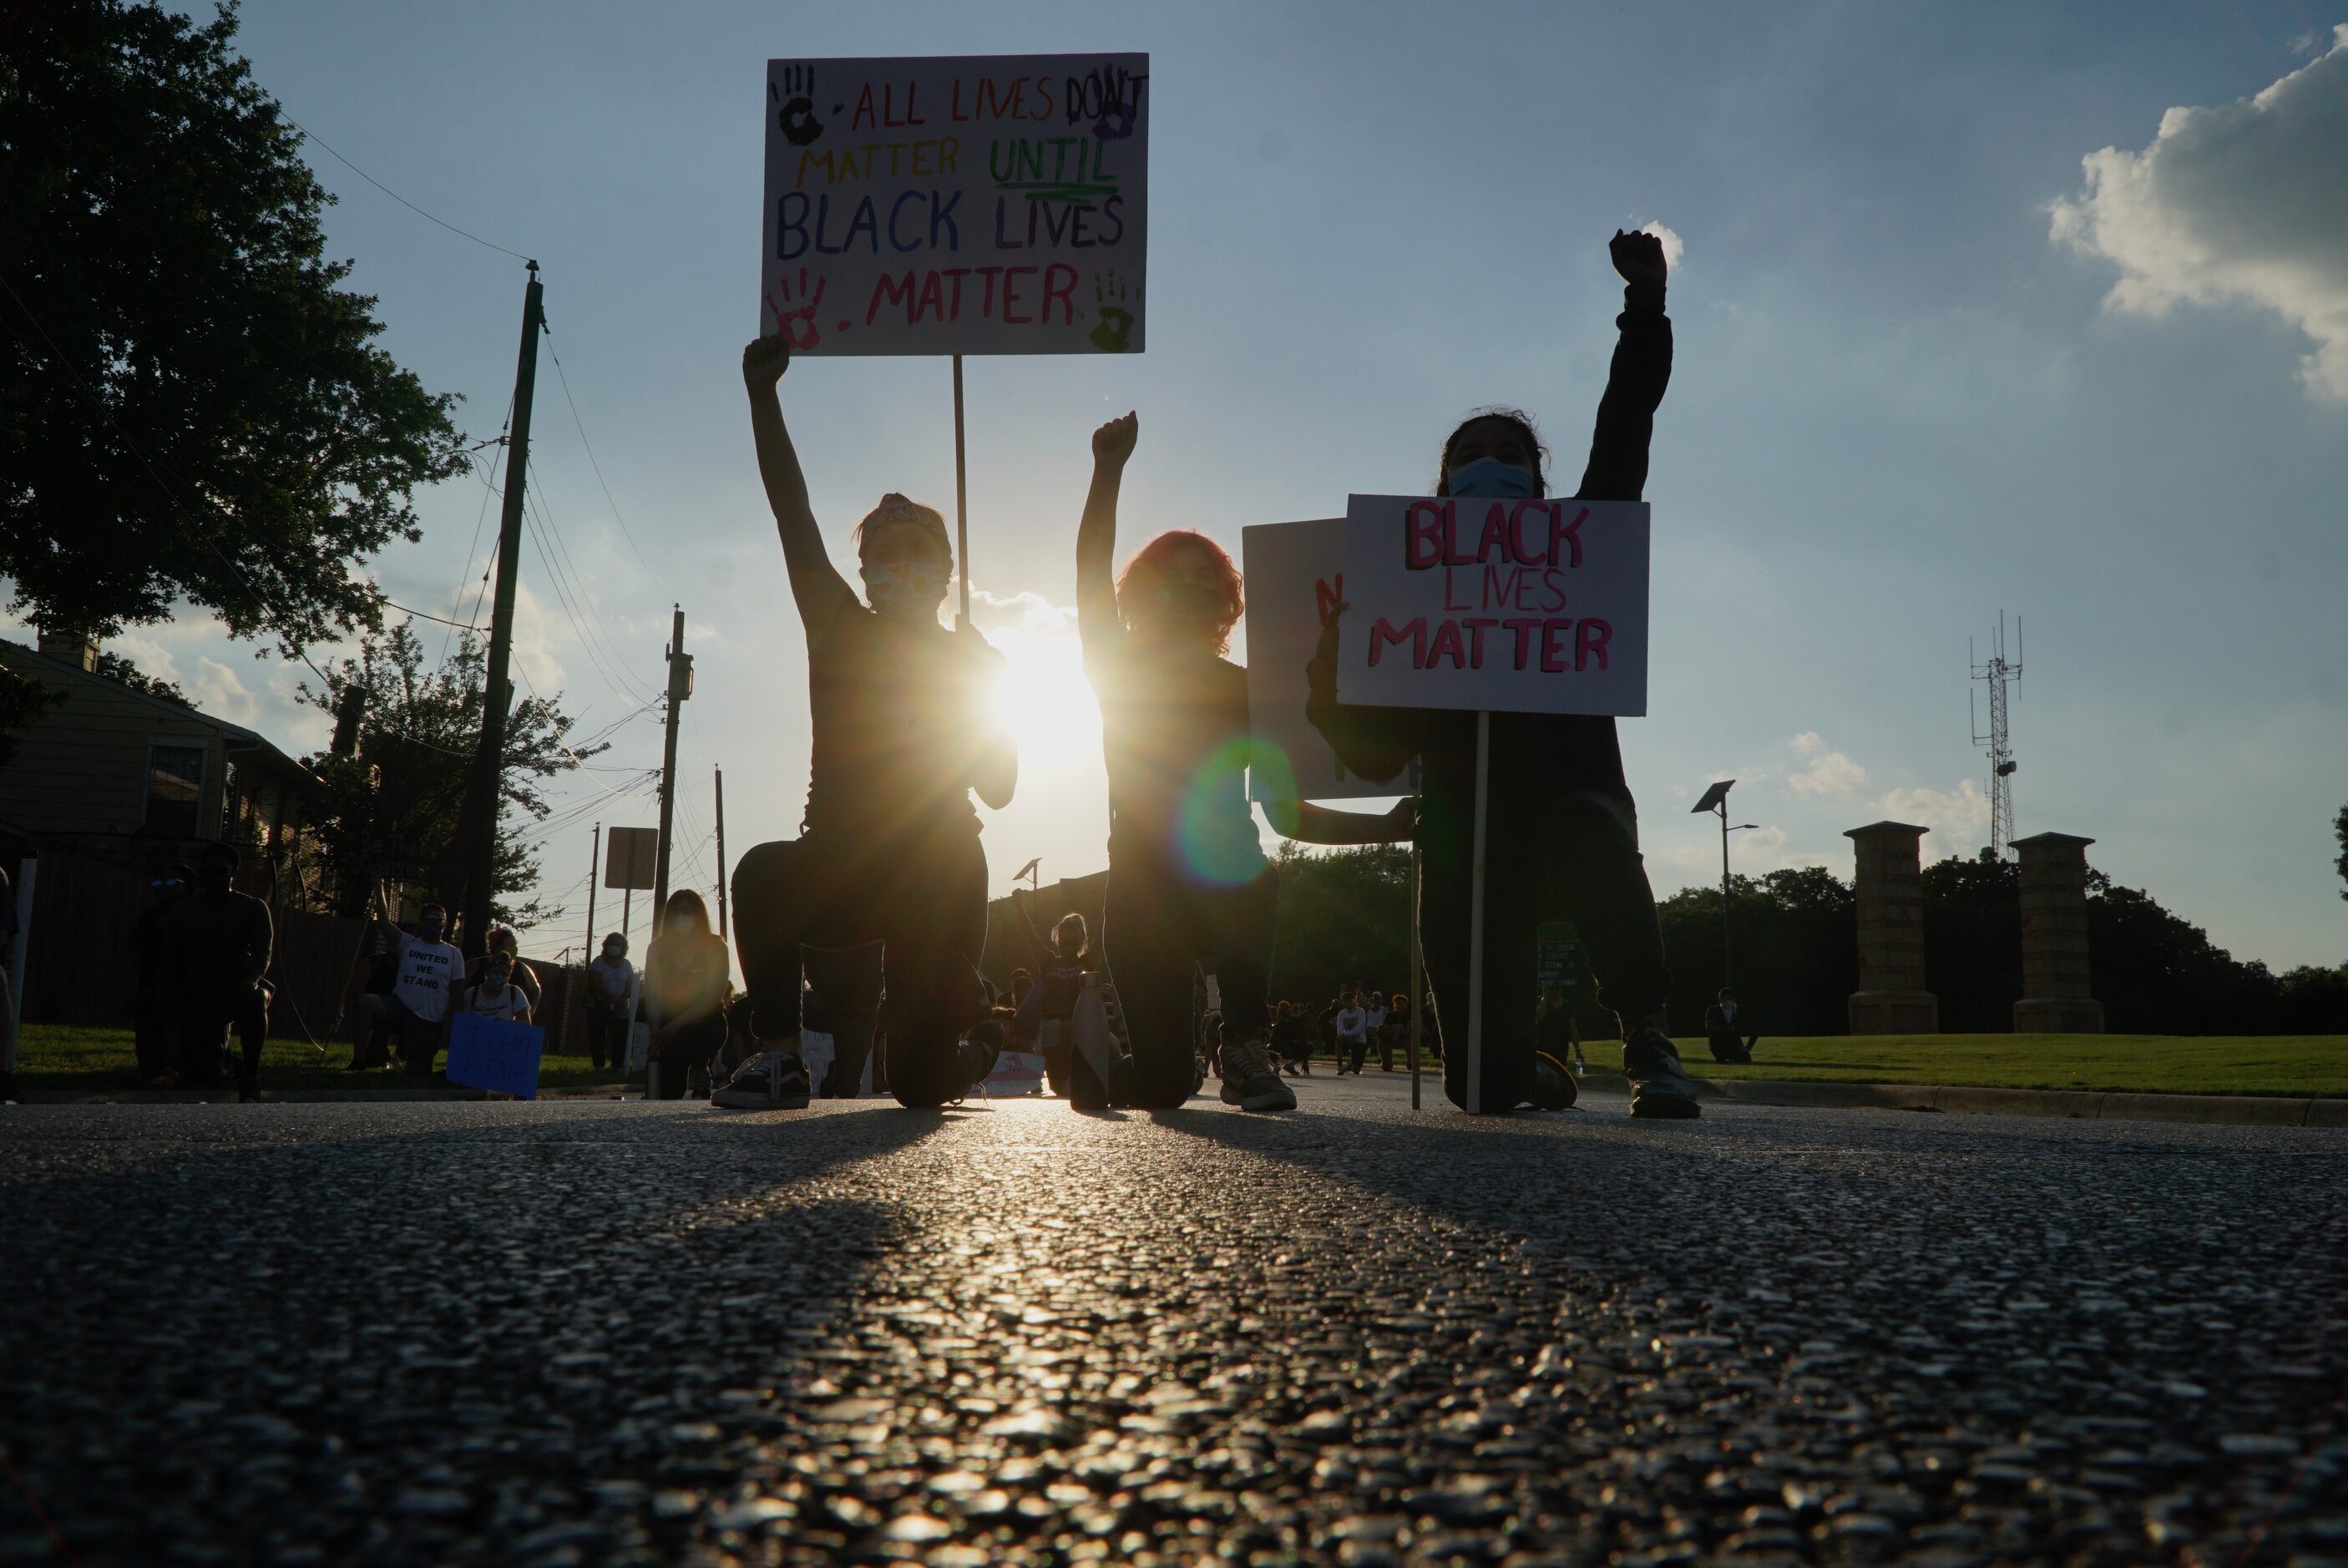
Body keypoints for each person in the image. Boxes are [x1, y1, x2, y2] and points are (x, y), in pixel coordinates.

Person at [1308, 229, 1698, 1119]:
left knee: (1592, 838)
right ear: (1441, 491)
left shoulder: (1578, 553)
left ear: (1539, 481)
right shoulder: (1396, 601)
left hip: (1575, 800)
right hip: (1466, 835)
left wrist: (1644, 310)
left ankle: (1647, 1034)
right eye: (1471, 458)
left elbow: (1626, 424)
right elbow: (1368, 760)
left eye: (1509, 456)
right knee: (1481, 1091)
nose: (1492, 466)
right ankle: (1523, 1064)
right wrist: (1339, 658)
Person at [1076, 413, 1414, 1113]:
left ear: (1227, 600)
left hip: (1226, 879)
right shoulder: (1117, 667)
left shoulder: (1249, 692)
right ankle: (1095, 1063)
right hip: (1141, 896)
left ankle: (1244, 1049)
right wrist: (1106, 474)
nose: (1191, 589)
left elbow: (1287, 813)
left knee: (1253, 869)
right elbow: (1088, 571)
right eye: (1175, 577)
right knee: (1165, 1088)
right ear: (1142, 593)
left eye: (1206, 579)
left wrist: (1389, 825)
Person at [729, 332, 1016, 1110]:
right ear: (862, 574)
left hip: (941, 874)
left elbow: (1001, 789)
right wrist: (764, 397)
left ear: (946, 572)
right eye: (883, 556)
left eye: (917, 553)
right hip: (843, 861)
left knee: (919, 1089)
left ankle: (974, 1031)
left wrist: (989, 688)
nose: (900, 567)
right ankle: (781, 1058)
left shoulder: (971, 659)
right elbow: (791, 508)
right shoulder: (838, 626)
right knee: (761, 873)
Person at [161, 842, 274, 1097]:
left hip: (235, 991)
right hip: (196, 994)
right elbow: (170, 959)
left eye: (220, 871)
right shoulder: (184, 911)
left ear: (233, 872)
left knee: (256, 998)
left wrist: (249, 981)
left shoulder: (253, 908)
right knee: (206, 1075)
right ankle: (227, 1063)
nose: (212, 876)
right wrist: (169, 992)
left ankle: (250, 1075)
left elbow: (262, 955)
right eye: (207, 870)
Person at [643, 889, 731, 1099]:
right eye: (677, 912)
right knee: (666, 1092)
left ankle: (702, 1069)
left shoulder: (715, 947)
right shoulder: (657, 949)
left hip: (704, 1021)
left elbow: (713, 996)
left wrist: (677, 1025)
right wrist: (656, 1031)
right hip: (668, 1022)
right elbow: (653, 993)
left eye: (688, 911)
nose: (682, 917)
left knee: (697, 1030)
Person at [374, 894, 463, 1078]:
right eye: (429, 919)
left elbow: (456, 996)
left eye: (438, 920)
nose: (434, 924)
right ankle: (361, 1060)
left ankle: (405, 1060)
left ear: (445, 924)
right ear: (421, 922)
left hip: (429, 1020)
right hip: (400, 1007)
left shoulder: (454, 954)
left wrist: (446, 1031)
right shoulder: (408, 943)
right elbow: (383, 922)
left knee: (418, 1073)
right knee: (366, 1004)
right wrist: (378, 886)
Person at [131, 863, 190, 1082]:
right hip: (150, 983)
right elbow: (135, 945)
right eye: (158, 883)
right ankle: (154, 1067)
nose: (163, 887)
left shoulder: (191, 917)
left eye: (172, 882)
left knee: (173, 1008)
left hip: (184, 985)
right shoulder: (149, 919)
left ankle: (171, 1067)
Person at [581, 933, 635, 1073]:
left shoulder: (627, 964)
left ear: (623, 947)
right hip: (598, 1005)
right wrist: (612, 998)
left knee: (620, 1036)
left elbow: (631, 985)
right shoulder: (599, 962)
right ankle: (599, 1065)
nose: (614, 947)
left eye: (618, 944)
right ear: (606, 945)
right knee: (598, 1034)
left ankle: (617, 1065)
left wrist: (622, 999)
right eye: (612, 943)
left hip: (621, 1007)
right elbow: (594, 983)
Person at [459, 949, 533, 1023]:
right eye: (496, 972)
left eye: (504, 974)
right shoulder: (471, 994)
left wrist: (502, 1025)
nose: (499, 976)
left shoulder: (514, 993)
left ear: (508, 977)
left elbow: (525, 1021)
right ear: (488, 972)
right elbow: (461, 1020)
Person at [1704, 987, 1758, 1065]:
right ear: (1720, 1000)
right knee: (1723, 1057)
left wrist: (1747, 1048)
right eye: (1724, 999)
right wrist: (1729, 1029)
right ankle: (1724, 1059)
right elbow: (1709, 1028)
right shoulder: (1712, 1011)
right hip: (1718, 1044)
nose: (1727, 1002)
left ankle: (1733, 1058)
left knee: (1745, 1058)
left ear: (1734, 1000)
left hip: (1735, 1044)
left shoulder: (1741, 1011)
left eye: (1730, 999)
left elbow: (1754, 1030)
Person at [1333, 990, 1369, 1074]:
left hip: (1359, 1041)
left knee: (1356, 1070)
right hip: (1347, 1039)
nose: (1348, 1004)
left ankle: (1350, 1066)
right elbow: (1340, 1029)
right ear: (1343, 1003)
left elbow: (1359, 1028)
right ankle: (1340, 1066)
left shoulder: (1361, 1011)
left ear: (1354, 1001)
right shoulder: (1342, 1014)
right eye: (1346, 1002)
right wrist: (1345, 1036)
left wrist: (1347, 1034)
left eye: (1350, 1001)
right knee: (1339, 1038)